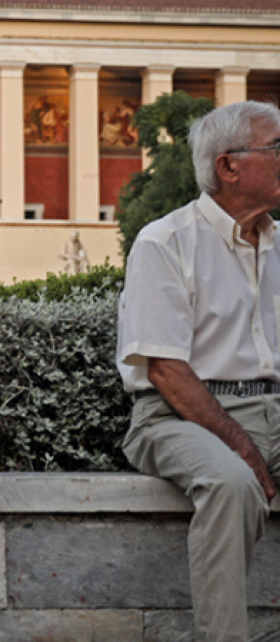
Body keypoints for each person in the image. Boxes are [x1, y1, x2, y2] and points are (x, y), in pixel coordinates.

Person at [117, 100, 280, 642]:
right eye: (276, 149)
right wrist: (243, 445)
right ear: (228, 166)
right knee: (233, 482)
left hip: (272, 410)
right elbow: (165, 368)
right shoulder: (166, 241)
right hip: (176, 417)